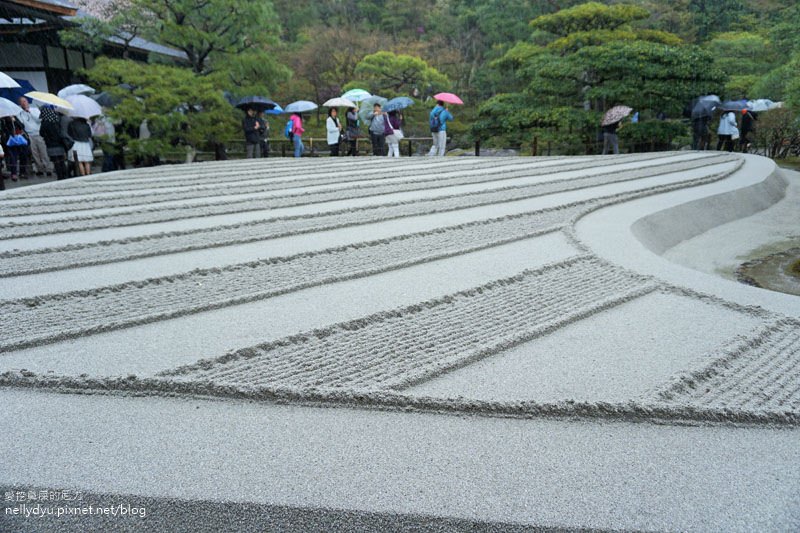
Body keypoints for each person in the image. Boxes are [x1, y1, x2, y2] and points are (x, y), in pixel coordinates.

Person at [17, 96, 52, 177]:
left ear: (27, 102)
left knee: (43, 152)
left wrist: (30, 112)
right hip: (30, 135)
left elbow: (39, 120)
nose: (23, 103)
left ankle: (48, 168)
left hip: (38, 133)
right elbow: (22, 124)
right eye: (21, 102)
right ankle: (40, 169)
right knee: (35, 154)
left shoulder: (34, 110)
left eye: (24, 101)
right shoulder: (20, 113)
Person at [39, 106, 69, 181]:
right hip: (59, 143)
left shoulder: (45, 122)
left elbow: (41, 133)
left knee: (56, 162)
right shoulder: (56, 120)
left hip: (50, 145)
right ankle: (65, 174)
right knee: (61, 160)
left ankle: (60, 176)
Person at [1, 115, 27, 181]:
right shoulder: (3, 120)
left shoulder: (15, 118)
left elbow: (22, 126)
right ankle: (14, 173)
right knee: (13, 158)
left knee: (23, 156)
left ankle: (22, 172)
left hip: (18, 140)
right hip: (10, 141)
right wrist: (8, 122)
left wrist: (15, 121)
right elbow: (3, 130)